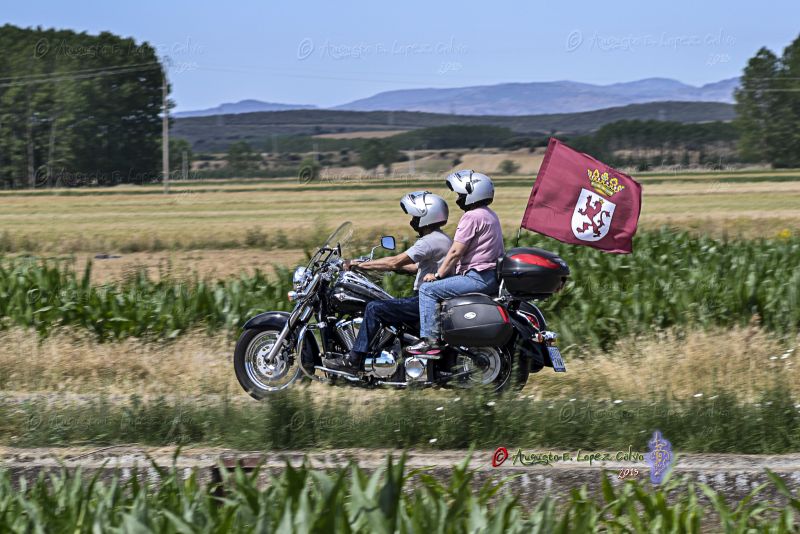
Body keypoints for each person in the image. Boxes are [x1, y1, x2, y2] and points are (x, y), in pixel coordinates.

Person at [326, 191, 452, 373]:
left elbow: (395, 260)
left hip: (422, 302)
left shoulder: (429, 241)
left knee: (374, 308)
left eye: (415, 217)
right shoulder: (441, 238)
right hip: (432, 300)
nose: (412, 221)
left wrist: (355, 264)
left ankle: (354, 360)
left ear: (427, 216)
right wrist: (392, 268)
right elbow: (416, 268)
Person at [407, 170, 504, 355]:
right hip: (490, 276)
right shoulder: (490, 215)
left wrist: (437, 275)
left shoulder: (471, 217)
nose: (459, 198)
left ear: (472, 193)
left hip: (477, 277)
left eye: (461, 194)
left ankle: (430, 340)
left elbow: (455, 252)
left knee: (428, 290)